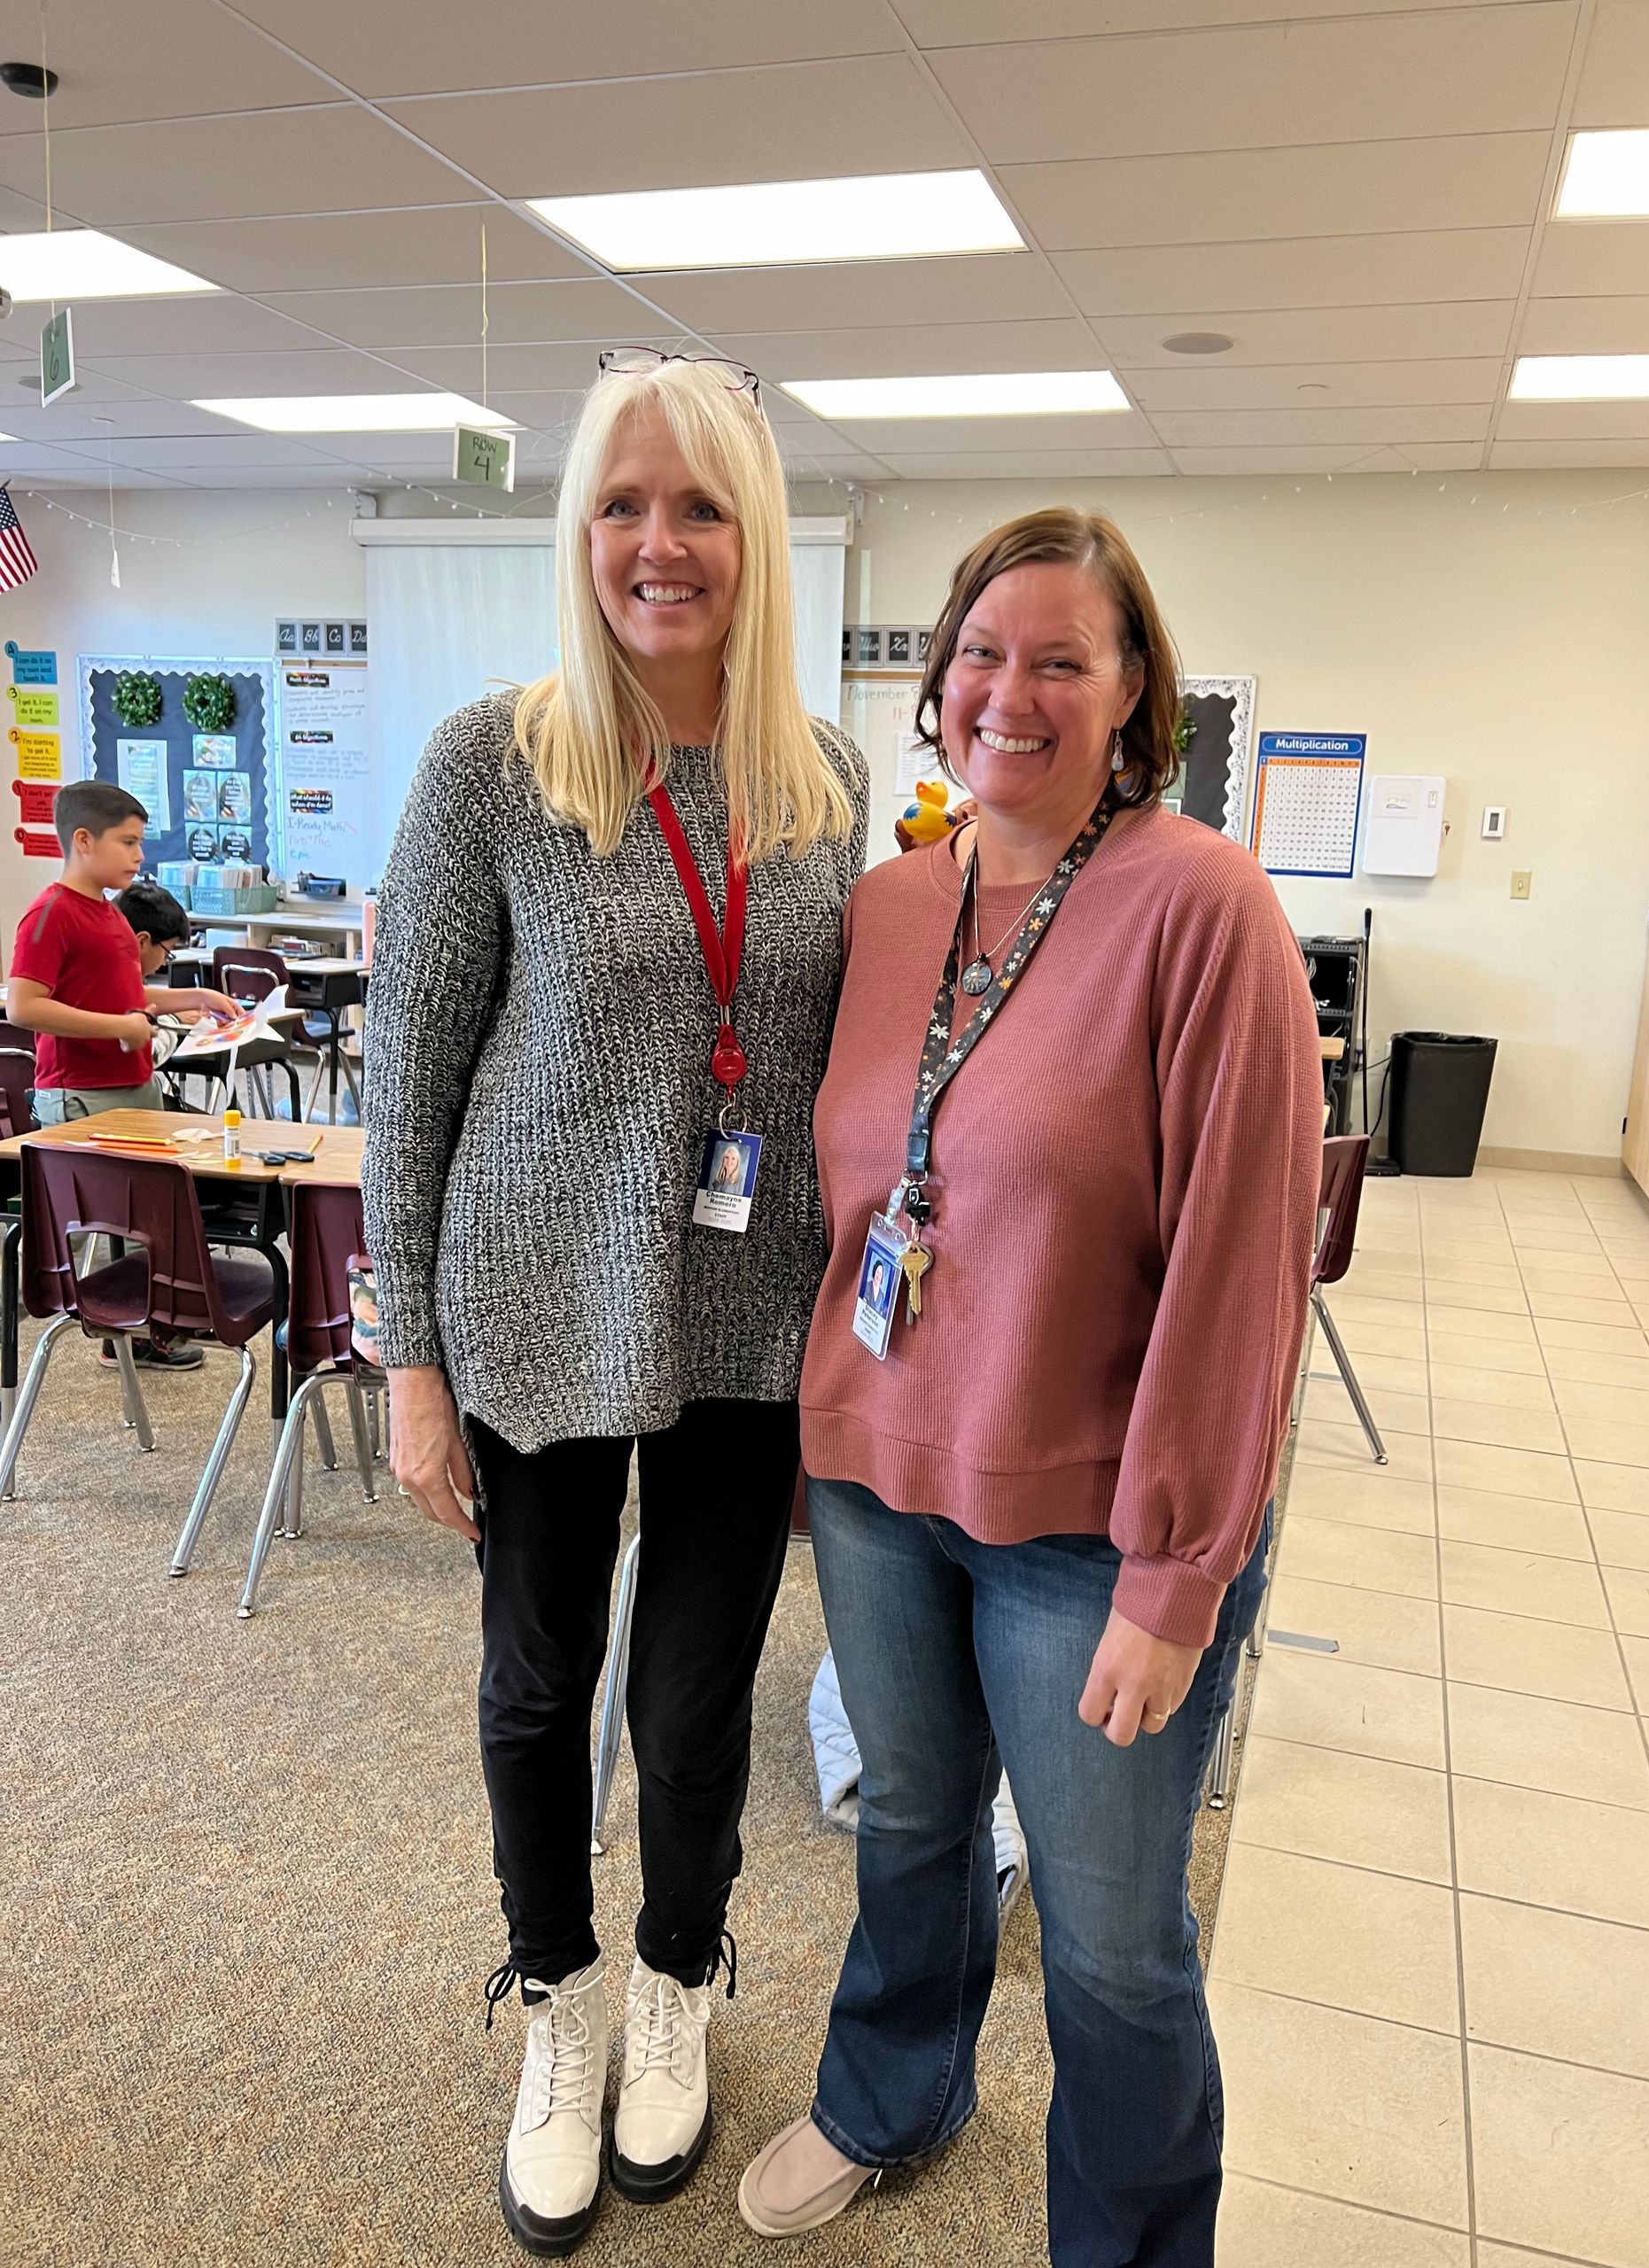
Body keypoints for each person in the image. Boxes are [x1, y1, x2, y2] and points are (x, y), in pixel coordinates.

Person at [739, 509, 1322, 2264]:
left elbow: (1244, 1266)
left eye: (1064, 657)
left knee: (1110, 1931)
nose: (1016, 691)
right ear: (937, 688)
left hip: (1087, 1527)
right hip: (874, 1481)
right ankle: (889, 2091)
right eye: (985, 655)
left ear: (1132, 688)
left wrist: (1179, 1572)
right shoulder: (891, 904)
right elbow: (848, 1184)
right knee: (909, 1820)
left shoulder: (1202, 904)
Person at [362, 351, 867, 2257]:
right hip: (531, 1301)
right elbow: (407, 1083)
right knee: (537, 1679)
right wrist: (411, 1363)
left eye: (701, 506)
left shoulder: (823, 781)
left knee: (695, 1690)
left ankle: (680, 1972)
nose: (659, 542)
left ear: (756, 539)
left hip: (747, 1314)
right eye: (623, 505)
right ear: (582, 533)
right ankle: (555, 2001)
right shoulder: (496, 756)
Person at [7, 785, 238, 1373]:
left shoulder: (109, 912)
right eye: (128, 842)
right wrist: (118, 1026)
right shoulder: (51, 911)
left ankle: (143, 1333)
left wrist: (195, 996)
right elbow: (24, 1007)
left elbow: (127, 997)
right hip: (84, 1096)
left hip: (128, 1088)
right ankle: (127, 1333)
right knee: (128, 1219)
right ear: (84, 841)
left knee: (153, 1218)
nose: (139, 856)